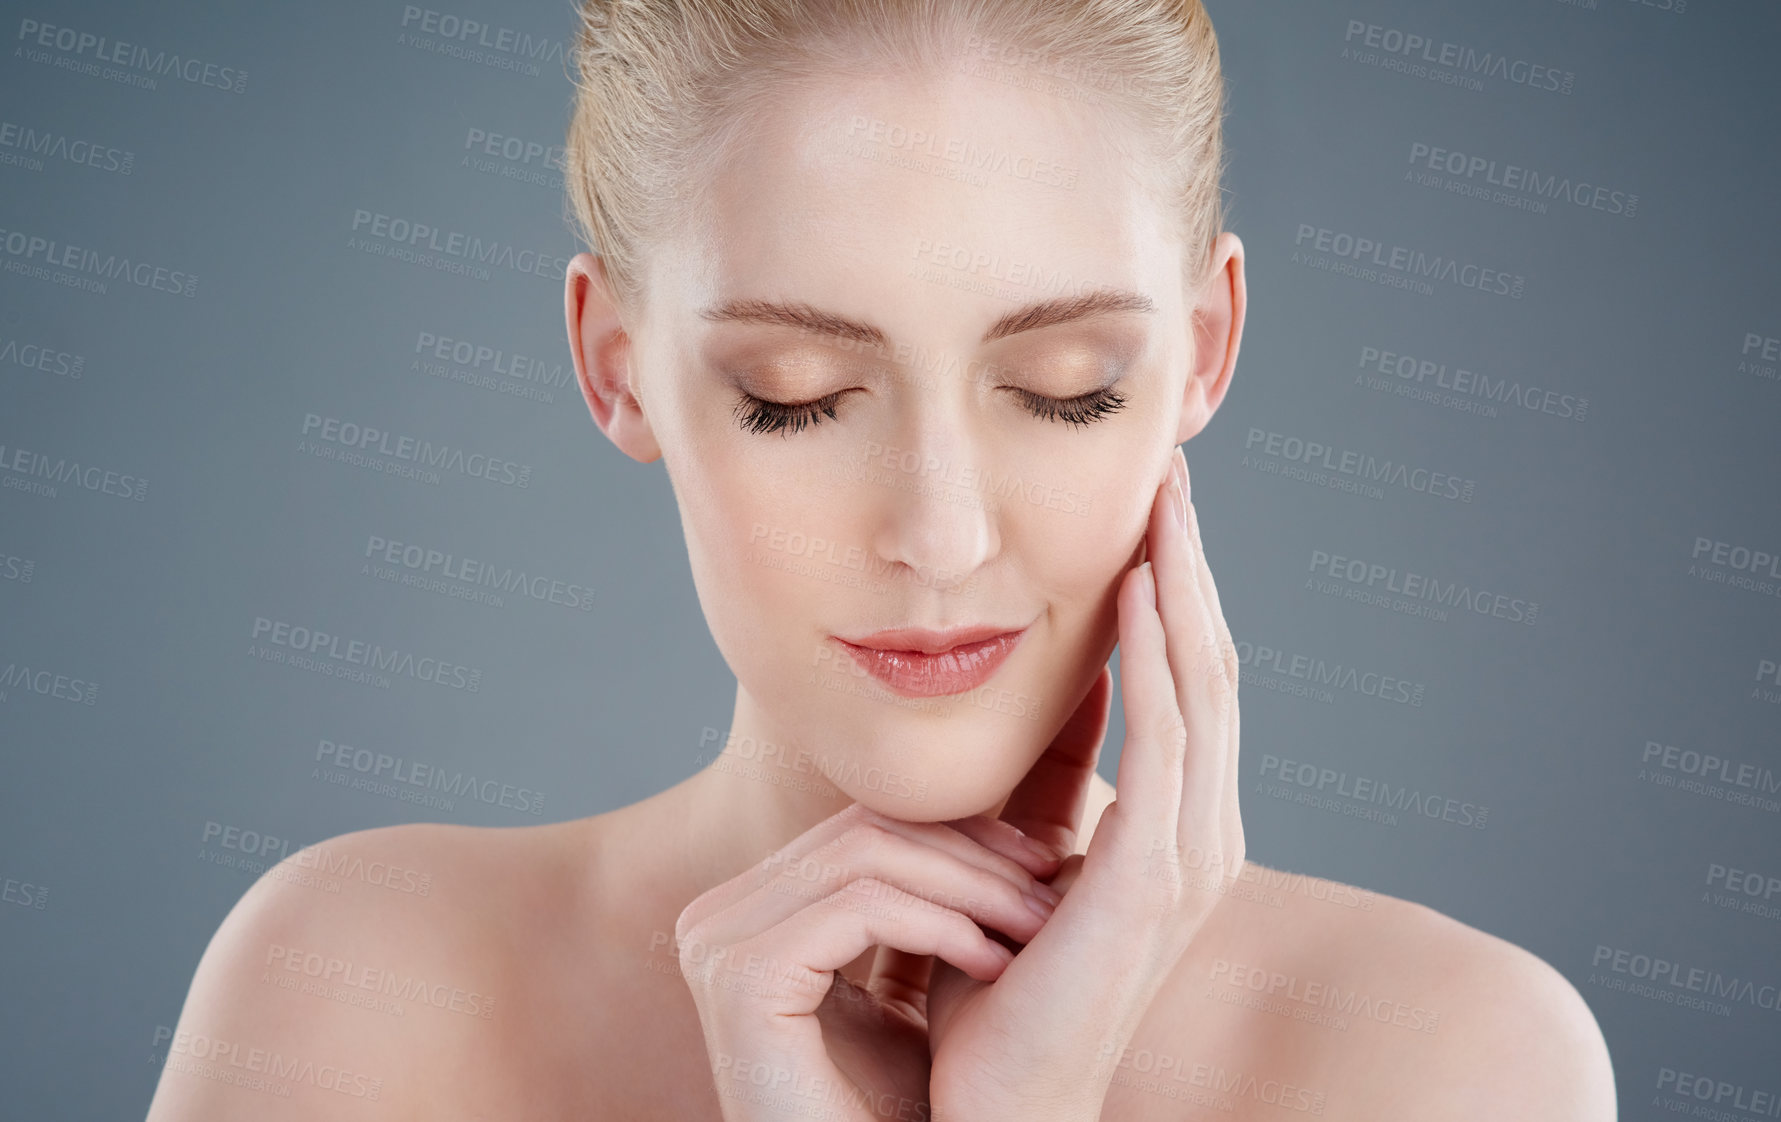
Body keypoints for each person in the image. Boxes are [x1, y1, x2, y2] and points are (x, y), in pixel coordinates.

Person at [146, 1, 1617, 1118]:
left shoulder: (1450, 1057)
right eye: (792, 393)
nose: (940, 534)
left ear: (1203, 351)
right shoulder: (359, 995)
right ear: (618, 368)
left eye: (1064, 384)